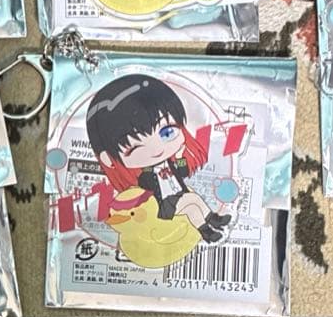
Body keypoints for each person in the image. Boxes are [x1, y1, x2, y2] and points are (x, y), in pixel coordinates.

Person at [86, 74, 232, 243]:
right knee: (191, 201)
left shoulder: (170, 164)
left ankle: (209, 226)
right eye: (135, 147)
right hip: (162, 206)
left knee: (193, 203)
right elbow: (145, 188)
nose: (157, 150)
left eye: (167, 132)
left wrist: (179, 157)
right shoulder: (146, 174)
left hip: (178, 196)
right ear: (108, 158)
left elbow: (183, 172)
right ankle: (209, 225)